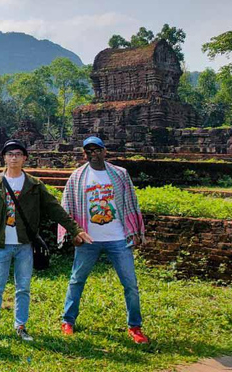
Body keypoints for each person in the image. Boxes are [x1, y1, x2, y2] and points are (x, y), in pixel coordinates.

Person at [0, 139, 92, 342]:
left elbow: (54, 208)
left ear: (24, 158)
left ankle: (20, 326)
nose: (13, 158)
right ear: (4, 157)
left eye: (18, 154)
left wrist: (75, 229)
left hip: (25, 244)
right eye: (10, 154)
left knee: (23, 287)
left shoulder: (33, 184)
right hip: (1, 242)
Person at [58, 136, 149, 344]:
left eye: (97, 149)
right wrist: (73, 233)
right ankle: (68, 320)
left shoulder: (120, 174)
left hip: (119, 238)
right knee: (76, 280)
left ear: (104, 151)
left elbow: (131, 203)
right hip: (88, 239)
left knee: (130, 285)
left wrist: (134, 231)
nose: (93, 153)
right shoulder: (77, 177)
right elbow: (67, 205)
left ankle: (135, 326)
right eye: (88, 150)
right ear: (84, 154)